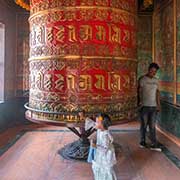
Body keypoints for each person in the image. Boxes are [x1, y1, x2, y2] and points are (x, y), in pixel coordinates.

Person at [138, 63, 161, 151]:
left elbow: (157, 93)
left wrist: (158, 104)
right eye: (152, 70)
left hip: (153, 106)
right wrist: (140, 101)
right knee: (143, 125)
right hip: (144, 106)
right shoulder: (143, 79)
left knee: (152, 126)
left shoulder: (156, 80)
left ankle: (153, 143)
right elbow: (139, 91)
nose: (153, 72)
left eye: (155, 71)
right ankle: (142, 141)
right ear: (148, 69)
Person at [92, 113, 117, 180]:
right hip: (100, 154)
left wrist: (95, 146)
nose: (95, 123)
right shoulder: (99, 130)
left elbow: (105, 149)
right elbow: (92, 125)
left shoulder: (105, 135)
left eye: (97, 122)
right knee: (100, 168)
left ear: (102, 124)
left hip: (105, 155)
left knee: (106, 169)